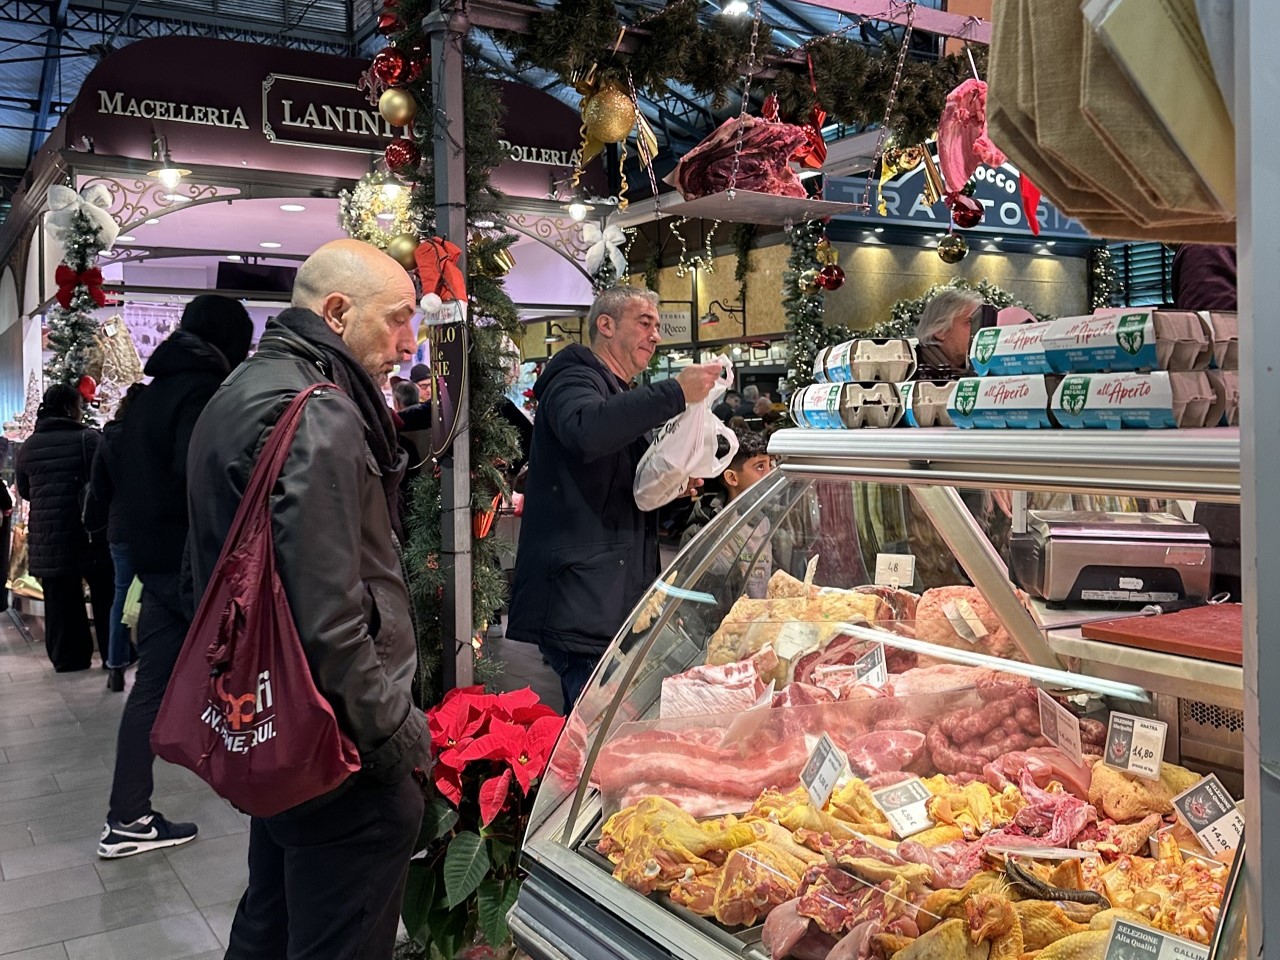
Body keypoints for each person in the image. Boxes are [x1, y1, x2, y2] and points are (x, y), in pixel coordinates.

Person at [186, 239, 429, 960]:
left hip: (277, 720)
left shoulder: (242, 389)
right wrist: (391, 732)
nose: (408, 343)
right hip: (336, 743)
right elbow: (328, 612)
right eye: (397, 320)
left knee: (271, 917)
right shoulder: (318, 411)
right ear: (336, 312)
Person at [506, 285, 721, 712]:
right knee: (593, 741)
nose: (656, 335)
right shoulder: (573, 378)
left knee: (608, 736)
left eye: (658, 326)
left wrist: (674, 488)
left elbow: (624, 487)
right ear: (605, 325)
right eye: (645, 323)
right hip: (582, 602)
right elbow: (588, 430)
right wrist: (676, 392)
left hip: (612, 601)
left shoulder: (616, 391)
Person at [98, 294, 253, 860]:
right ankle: (266, 790)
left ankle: (127, 815)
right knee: (254, 674)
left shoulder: (147, 396)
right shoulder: (202, 394)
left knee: (152, 690)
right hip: (194, 570)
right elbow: (206, 479)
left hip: (154, 563)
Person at [14, 384, 110, 672]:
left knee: (60, 600)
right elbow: (104, 484)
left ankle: (68, 658)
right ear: (70, 409)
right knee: (104, 594)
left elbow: (25, 490)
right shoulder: (89, 439)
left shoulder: (30, 445)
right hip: (87, 532)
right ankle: (114, 653)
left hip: (49, 536)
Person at [84, 382, 146, 692]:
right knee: (159, 592)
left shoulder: (108, 439)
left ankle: (116, 665)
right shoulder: (152, 435)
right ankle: (154, 661)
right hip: (155, 525)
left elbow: (98, 489)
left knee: (121, 595)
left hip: (120, 526)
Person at [914, 287, 984, 372]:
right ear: (940, 331)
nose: (981, 329)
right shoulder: (906, 372)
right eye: (970, 322)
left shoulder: (980, 370)